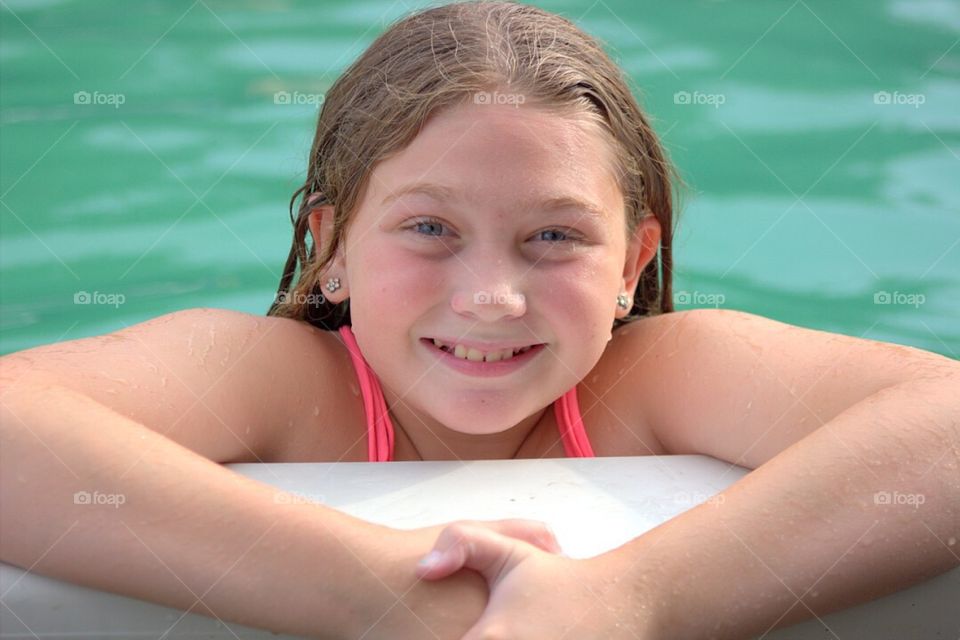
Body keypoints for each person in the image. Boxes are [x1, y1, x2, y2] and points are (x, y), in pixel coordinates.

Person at [2, 1, 957, 638]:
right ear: (332, 248)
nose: (492, 297)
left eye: (553, 235)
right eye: (428, 228)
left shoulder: (658, 380)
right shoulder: (286, 384)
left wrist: (626, 598)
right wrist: (384, 592)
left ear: (633, 264)